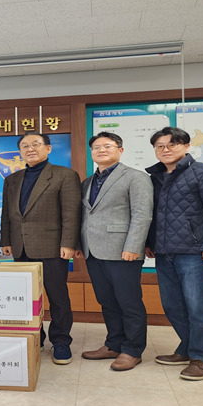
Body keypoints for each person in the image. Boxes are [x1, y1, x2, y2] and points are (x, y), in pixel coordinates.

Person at [145, 127, 203, 381]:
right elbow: (152, 215)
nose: (165, 149)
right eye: (160, 146)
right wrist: (150, 242)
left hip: (195, 252)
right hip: (164, 251)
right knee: (173, 305)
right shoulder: (154, 177)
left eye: (172, 144)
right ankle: (187, 348)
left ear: (185, 146)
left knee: (198, 306)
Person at [0, 132, 81, 365]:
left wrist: (68, 243)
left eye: (36, 144)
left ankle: (61, 341)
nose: (30, 149)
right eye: (25, 146)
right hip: (21, 248)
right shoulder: (12, 179)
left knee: (57, 297)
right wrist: (6, 241)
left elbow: (71, 213)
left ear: (48, 148)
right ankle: (36, 337)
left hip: (52, 247)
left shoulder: (65, 175)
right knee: (26, 298)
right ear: (20, 152)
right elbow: (8, 214)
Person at [78, 132, 153, 371]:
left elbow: (142, 215)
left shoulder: (136, 177)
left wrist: (133, 246)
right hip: (93, 251)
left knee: (129, 302)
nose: (101, 150)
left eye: (107, 146)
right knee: (107, 301)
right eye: (96, 147)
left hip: (123, 251)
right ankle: (113, 344)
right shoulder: (87, 182)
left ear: (120, 150)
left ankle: (132, 350)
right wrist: (80, 245)